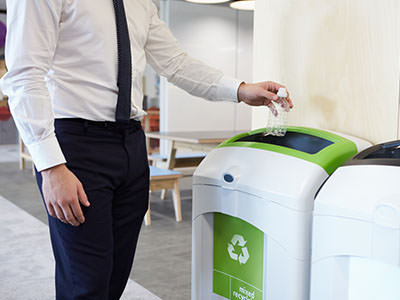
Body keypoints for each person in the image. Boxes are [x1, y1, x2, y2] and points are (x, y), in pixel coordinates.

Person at [0, 0, 293, 299]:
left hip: (130, 142)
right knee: (86, 282)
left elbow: (176, 63)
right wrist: (50, 167)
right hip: (77, 145)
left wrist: (240, 90)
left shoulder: (139, 2)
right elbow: (25, 74)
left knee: (115, 275)